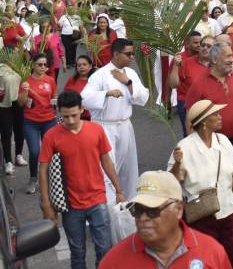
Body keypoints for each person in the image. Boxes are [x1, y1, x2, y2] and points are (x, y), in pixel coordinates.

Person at [184, 42, 233, 244]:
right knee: (218, 184)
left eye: (232, 56)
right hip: (212, 144)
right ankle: (216, 226)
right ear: (213, 60)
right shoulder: (199, 83)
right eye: (227, 56)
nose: (232, 60)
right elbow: (190, 117)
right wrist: (197, 146)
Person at [39, 90, 124, 269]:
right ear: (59, 113)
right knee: (77, 253)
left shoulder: (96, 129)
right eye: (65, 116)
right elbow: (43, 170)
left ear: (82, 109)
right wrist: (46, 204)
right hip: (70, 206)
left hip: (98, 200)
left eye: (74, 115)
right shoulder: (51, 136)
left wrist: (118, 189)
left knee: (104, 249)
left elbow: (106, 160)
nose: (70, 121)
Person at [168, 99, 233, 267]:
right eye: (215, 114)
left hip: (229, 211)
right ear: (204, 123)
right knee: (205, 256)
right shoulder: (184, 147)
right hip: (201, 215)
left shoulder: (223, 141)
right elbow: (172, 182)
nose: (221, 117)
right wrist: (178, 164)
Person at [99, 170, 232, 268]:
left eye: (152, 211)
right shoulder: (113, 262)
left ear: (178, 210)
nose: (143, 218)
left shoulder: (211, 253)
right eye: (137, 210)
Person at [81, 38, 150, 200]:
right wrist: (106, 93)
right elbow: (84, 99)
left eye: (133, 53)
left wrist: (128, 82)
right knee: (107, 170)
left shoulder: (130, 73)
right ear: (116, 54)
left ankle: (130, 208)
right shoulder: (100, 75)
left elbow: (143, 97)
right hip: (104, 127)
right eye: (128, 54)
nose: (132, 57)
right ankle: (109, 208)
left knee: (129, 169)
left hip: (125, 125)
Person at [18, 52, 58, 194]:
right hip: (31, 122)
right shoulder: (26, 81)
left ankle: (50, 179)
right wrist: (25, 91)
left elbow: (54, 98)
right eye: (39, 64)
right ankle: (33, 178)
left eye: (45, 65)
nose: (42, 67)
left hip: (49, 121)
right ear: (33, 65)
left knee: (51, 152)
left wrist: (55, 102)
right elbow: (21, 103)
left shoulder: (50, 80)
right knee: (35, 151)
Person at [169, 33, 211, 137]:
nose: (199, 46)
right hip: (186, 104)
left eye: (199, 43)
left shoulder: (213, 62)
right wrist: (167, 101)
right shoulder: (183, 61)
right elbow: (172, 83)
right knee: (191, 135)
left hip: (208, 105)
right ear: (187, 44)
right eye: (197, 43)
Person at [0, 59, 24, 175]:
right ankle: (8, 161)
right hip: (4, 103)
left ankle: (18, 155)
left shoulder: (20, 65)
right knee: (6, 132)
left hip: (18, 101)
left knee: (19, 130)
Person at [63, 54, 95, 120]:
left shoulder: (95, 80)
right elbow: (65, 96)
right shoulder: (72, 80)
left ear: (90, 66)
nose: (81, 67)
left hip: (93, 115)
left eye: (84, 64)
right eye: (79, 65)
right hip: (75, 115)